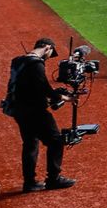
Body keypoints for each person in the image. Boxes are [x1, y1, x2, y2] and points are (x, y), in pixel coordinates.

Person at [8, 38, 74, 191]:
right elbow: (42, 87)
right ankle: (53, 179)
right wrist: (62, 97)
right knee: (56, 141)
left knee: (30, 144)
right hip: (34, 110)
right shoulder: (36, 64)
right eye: (50, 52)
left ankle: (29, 182)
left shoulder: (17, 60)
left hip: (19, 109)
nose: (48, 56)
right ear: (47, 47)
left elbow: (27, 85)